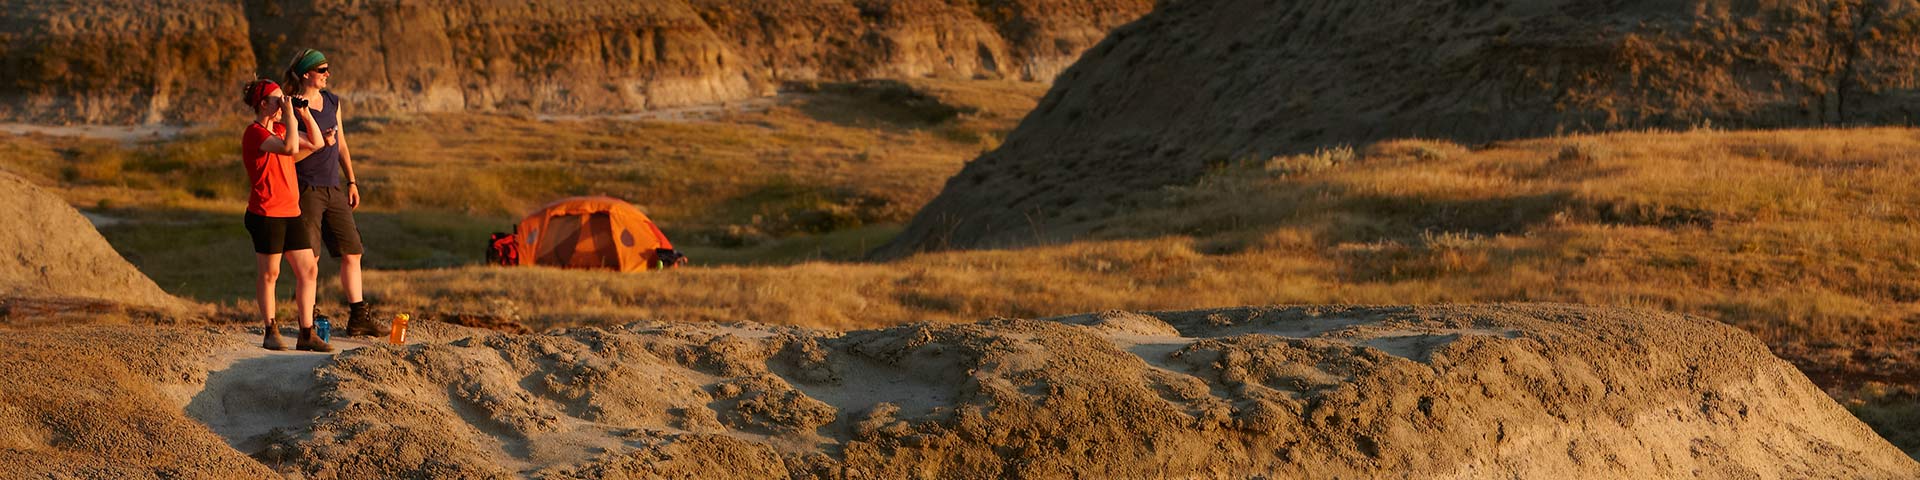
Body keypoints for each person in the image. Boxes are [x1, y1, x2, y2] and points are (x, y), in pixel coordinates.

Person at [283, 49, 385, 337]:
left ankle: (358, 317)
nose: (328, 74)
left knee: (353, 251)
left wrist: (352, 181)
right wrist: (316, 144)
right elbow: (288, 155)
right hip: (305, 189)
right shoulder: (291, 106)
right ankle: (310, 317)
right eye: (322, 69)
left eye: (327, 69)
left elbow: (341, 144)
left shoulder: (332, 101)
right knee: (310, 260)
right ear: (306, 74)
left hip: (334, 188)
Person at [240, 78, 332, 352]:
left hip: (291, 211)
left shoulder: (282, 128)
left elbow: (316, 143)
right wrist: (290, 115)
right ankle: (270, 330)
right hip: (266, 212)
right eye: (278, 99)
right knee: (271, 273)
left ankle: (306, 332)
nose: (283, 103)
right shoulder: (255, 133)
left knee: (309, 269)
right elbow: (291, 148)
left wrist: (303, 114)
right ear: (263, 104)